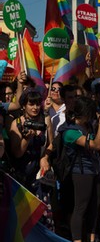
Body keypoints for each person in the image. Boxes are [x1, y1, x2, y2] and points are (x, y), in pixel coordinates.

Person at [58, 96, 100, 242]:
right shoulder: (70, 132)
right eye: (90, 113)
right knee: (80, 207)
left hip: (95, 169)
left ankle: (91, 240)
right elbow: (96, 145)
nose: (92, 116)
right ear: (83, 113)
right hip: (81, 171)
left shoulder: (87, 125)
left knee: (95, 205)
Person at [9, 88, 54, 230]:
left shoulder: (45, 119)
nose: (35, 108)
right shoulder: (16, 124)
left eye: (37, 104)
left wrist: (45, 157)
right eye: (31, 104)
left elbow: (52, 143)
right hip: (22, 175)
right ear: (23, 105)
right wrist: (27, 139)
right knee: (24, 217)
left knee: (43, 214)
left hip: (40, 174)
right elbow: (17, 153)